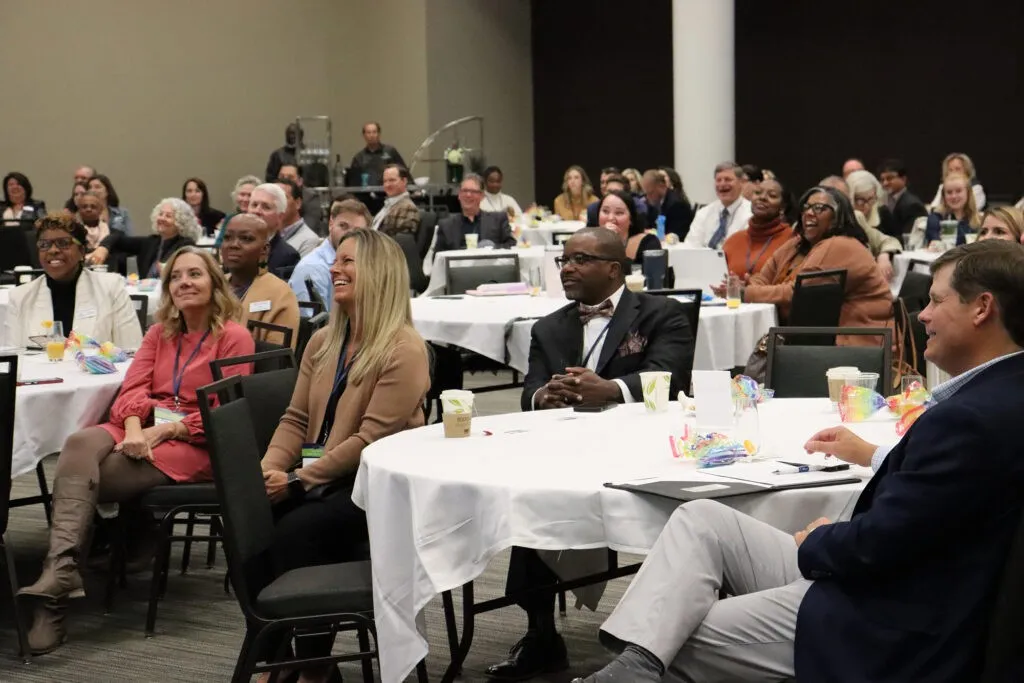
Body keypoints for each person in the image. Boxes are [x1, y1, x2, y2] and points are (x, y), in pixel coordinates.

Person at [574, 240, 1024, 683]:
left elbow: (882, 542)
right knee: (701, 520)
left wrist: (822, 539)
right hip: (891, 582)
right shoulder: (1000, 395)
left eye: (936, 301)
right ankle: (635, 669)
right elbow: (931, 509)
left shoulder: (970, 420)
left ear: (981, 308)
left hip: (883, 619)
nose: (922, 314)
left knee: (670, 633)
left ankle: (637, 666)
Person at [17, 246, 254, 655]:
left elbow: (222, 411)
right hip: (143, 425)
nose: (184, 282)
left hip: (197, 440)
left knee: (95, 475)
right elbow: (132, 388)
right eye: (176, 277)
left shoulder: (234, 337)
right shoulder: (160, 333)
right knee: (79, 443)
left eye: (194, 274)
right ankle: (63, 571)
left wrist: (161, 433)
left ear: (215, 283)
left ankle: (54, 600)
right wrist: (133, 429)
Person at [487, 228, 694, 681]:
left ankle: (669, 630)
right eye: (564, 259)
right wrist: (545, 395)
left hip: (643, 448)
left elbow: (671, 378)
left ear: (614, 269)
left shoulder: (662, 315)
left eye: (580, 259)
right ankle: (541, 633)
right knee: (530, 492)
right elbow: (529, 390)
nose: (567, 268)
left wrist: (612, 389)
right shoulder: (548, 327)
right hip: (566, 449)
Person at [260, 229, 430, 683]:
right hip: (323, 477)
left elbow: (369, 440)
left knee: (296, 529)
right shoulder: (323, 341)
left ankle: (311, 664)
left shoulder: (404, 349)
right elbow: (296, 418)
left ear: (378, 273)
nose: (334, 269)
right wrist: (269, 469)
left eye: (348, 262)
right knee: (250, 517)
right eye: (337, 260)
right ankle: (278, 651)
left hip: (375, 490)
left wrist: (298, 480)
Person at [717, 186, 892, 346]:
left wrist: (745, 293)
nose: (809, 213)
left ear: (837, 217)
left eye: (819, 208)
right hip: (814, 339)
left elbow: (798, 293)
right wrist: (748, 287)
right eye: (806, 207)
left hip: (861, 342)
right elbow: (763, 278)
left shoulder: (840, 245)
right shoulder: (796, 244)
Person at [6, 213, 142, 349]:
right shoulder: (20, 297)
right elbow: (12, 356)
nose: (53, 250)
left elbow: (132, 350)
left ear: (82, 251)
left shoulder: (111, 288)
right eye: (44, 244)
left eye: (63, 243)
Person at [221, 214, 300, 349]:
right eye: (227, 238)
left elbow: (276, 357)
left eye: (246, 239)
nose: (233, 245)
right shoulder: (213, 285)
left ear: (264, 250)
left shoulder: (280, 294)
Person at [289, 197, 372, 314]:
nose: (349, 234)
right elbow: (312, 322)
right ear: (331, 224)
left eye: (357, 231)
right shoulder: (311, 268)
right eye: (343, 226)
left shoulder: (369, 265)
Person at [88, 198, 199, 278]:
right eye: (161, 214)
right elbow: (118, 238)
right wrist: (103, 248)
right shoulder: (152, 241)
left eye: (168, 216)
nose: (162, 218)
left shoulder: (186, 245)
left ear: (181, 222)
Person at [721, 177, 794, 280]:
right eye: (758, 192)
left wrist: (748, 288)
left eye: (772, 195)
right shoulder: (733, 241)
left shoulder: (792, 240)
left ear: (783, 207)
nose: (762, 197)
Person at [435, 174, 515, 252]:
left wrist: (492, 248)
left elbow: (512, 246)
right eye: (464, 191)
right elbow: (438, 257)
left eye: (473, 191)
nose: (468, 195)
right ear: (459, 195)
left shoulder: (498, 220)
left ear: (482, 196)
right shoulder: (446, 226)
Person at [684, 162, 752, 249]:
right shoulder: (704, 212)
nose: (722, 184)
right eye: (718, 180)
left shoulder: (751, 213)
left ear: (741, 183)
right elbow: (690, 245)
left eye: (728, 179)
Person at [597, 189, 660, 271]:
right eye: (605, 211)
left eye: (619, 213)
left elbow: (651, 275)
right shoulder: (588, 242)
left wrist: (614, 245)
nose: (611, 218)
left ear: (631, 219)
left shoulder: (648, 243)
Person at [247, 183, 301, 276]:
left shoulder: (288, 256)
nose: (257, 211)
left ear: (280, 217)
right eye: (254, 205)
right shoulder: (236, 246)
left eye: (266, 207)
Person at [921, 173, 981, 247]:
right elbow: (936, 243)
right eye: (949, 192)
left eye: (958, 191)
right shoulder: (936, 218)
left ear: (968, 193)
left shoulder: (979, 220)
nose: (954, 196)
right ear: (944, 196)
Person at [347, 121, 406, 187]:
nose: (371, 135)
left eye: (374, 132)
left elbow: (403, 173)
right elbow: (353, 183)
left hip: (389, 190)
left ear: (379, 134)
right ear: (364, 135)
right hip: (366, 192)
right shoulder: (359, 158)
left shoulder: (390, 151)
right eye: (368, 132)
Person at [878, 158, 927, 235]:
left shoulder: (913, 205)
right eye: (882, 180)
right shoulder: (882, 202)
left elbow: (908, 237)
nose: (885, 183)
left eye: (889, 178)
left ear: (903, 179)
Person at [275, 178, 321, 257]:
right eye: (273, 199)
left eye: (282, 198)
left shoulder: (309, 240)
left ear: (298, 203)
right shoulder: (267, 235)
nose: (276, 203)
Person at [641, 169, 693, 239]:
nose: (648, 197)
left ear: (661, 186)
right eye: (646, 193)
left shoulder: (677, 205)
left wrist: (656, 234)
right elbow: (648, 226)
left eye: (651, 192)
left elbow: (677, 235)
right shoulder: (654, 202)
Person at [213, 174, 262, 249]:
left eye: (250, 195)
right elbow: (218, 244)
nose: (245, 199)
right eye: (242, 194)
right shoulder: (230, 218)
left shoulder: (261, 220)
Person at [371, 164, 419, 237]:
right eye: (385, 181)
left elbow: (402, 240)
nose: (387, 185)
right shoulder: (388, 205)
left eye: (392, 180)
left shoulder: (408, 207)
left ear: (404, 181)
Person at [847, 169, 899, 237]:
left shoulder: (883, 213)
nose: (867, 206)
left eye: (871, 199)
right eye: (860, 200)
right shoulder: (845, 217)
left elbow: (897, 240)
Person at [277, 163, 324, 234]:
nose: (285, 181)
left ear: (300, 181)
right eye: (282, 177)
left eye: (290, 177)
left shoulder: (311, 197)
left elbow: (309, 227)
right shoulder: (271, 195)